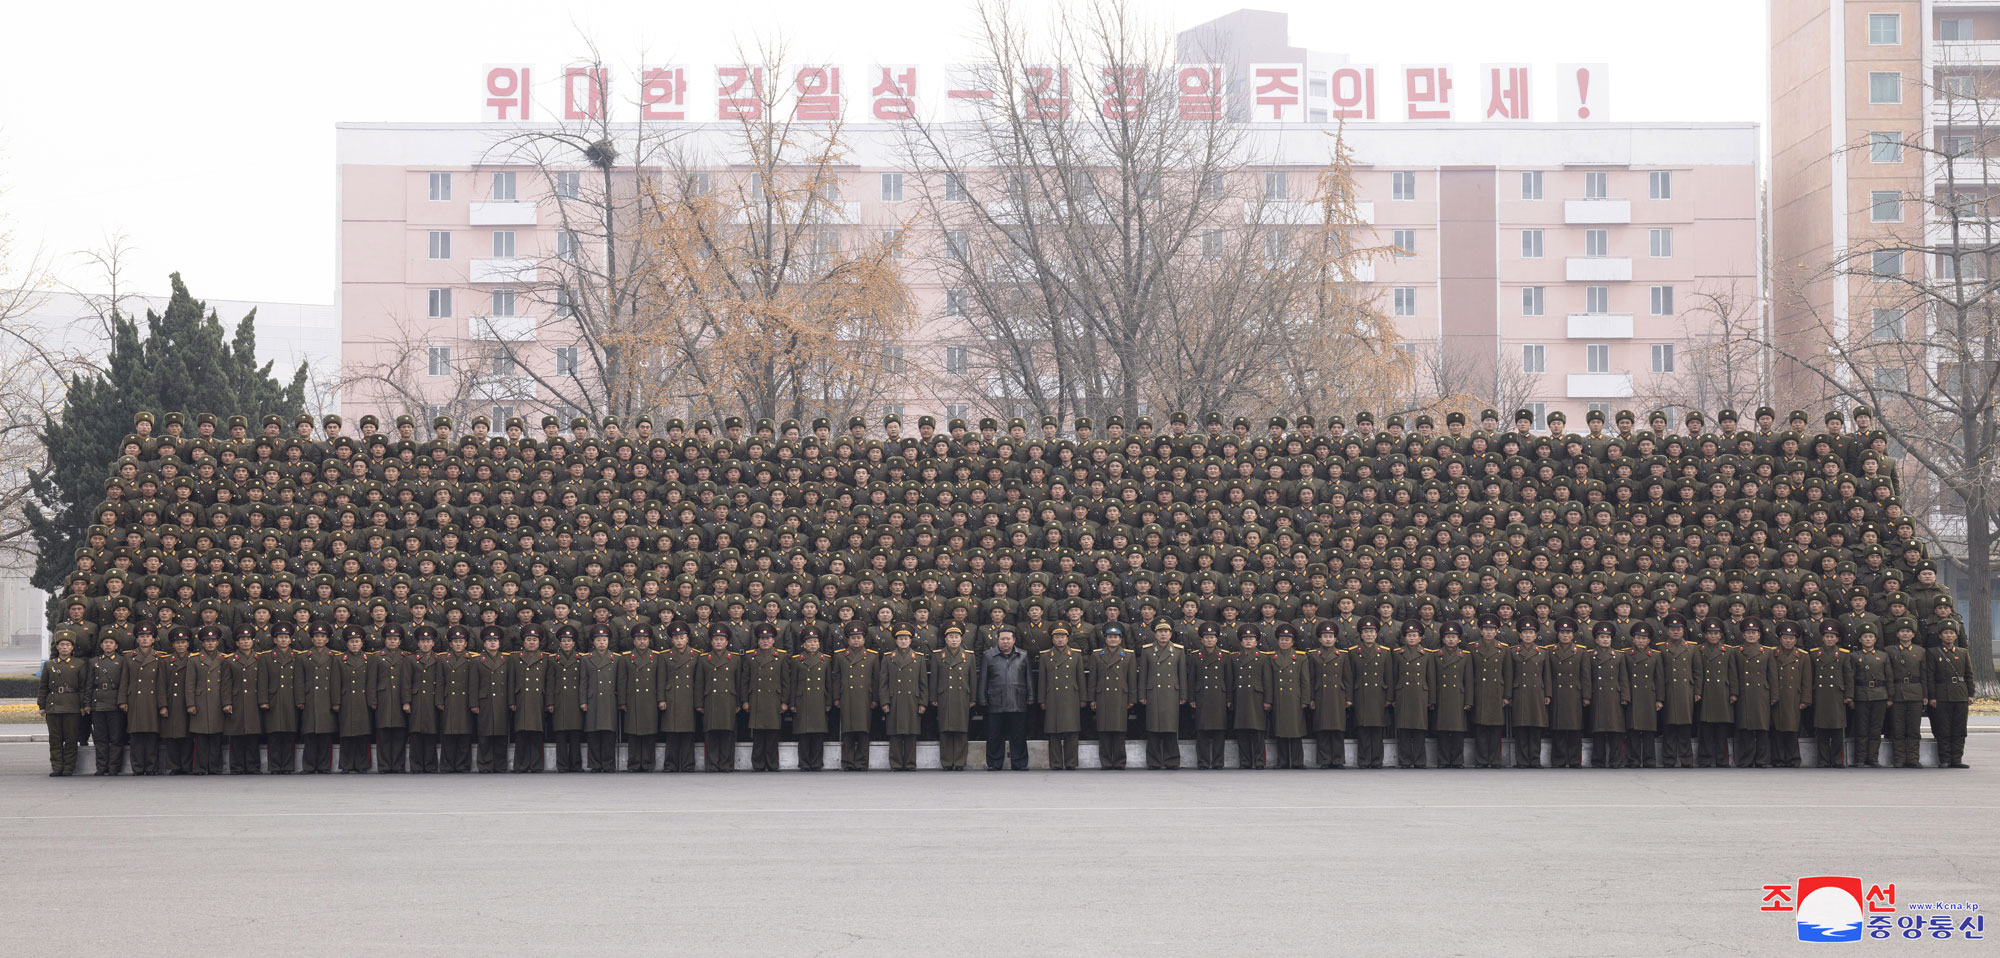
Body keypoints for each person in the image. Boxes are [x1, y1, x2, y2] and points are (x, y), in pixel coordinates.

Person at [979, 629, 1033, 771]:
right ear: (998, 640)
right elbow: (983, 678)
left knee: (1019, 735)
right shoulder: (988, 656)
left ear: (1014, 640)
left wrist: (1031, 696)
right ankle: (994, 763)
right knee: (994, 735)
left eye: (1008, 639)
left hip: (1018, 699)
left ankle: (1020, 763)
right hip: (996, 700)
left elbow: (1028, 678)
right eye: (1002, 639)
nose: (1005, 642)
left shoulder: (1023, 655)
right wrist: (982, 697)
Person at [877, 628, 929, 771]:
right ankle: (896, 763)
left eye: (906, 639)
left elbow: (923, 682)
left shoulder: (918, 658)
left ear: (910, 640)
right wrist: (885, 702)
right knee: (894, 734)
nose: (903, 641)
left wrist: (923, 702)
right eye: (900, 639)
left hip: (912, 699)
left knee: (911, 733)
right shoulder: (888, 657)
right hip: (894, 700)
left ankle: (910, 763)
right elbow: (883, 683)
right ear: (896, 640)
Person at [1085, 625, 1136, 769]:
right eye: (1110, 637)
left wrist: (1132, 698)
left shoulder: (1128, 655)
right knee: (1104, 729)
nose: (1113, 639)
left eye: (1116, 637)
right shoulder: (1097, 655)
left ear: (1120, 639)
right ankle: (1106, 762)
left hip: (1121, 695)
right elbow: (1092, 679)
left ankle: (1120, 761)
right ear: (1105, 639)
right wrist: (1092, 698)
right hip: (1103, 696)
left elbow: (1131, 679)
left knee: (1120, 730)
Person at [1137, 621, 1186, 769]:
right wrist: (1141, 694)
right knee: (1153, 727)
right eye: (1160, 632)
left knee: (1170, 728)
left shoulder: (1178, 650)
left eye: (1166, 632)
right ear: (1155, 634)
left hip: (1172, 693)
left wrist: (1183, 694)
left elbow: (1182, 674)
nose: (1163, 634)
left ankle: (1172, 761)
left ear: (1171, 634)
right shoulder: (1147, 650)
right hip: (1153, 693)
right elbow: (1143, 675)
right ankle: (1154, 761)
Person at [743, 626, 790, 772]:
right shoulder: (750, 656)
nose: (765, 641)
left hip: (773, 699)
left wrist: (784, 701)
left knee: (772, 733)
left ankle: (772, 763)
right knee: (757, 734)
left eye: (768, 639)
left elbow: (785, 681)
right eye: (762, 639)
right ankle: (758, 764)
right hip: (756, 698)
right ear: (758, 640)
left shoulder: (781, 656)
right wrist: (745, 700)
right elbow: (745, 680)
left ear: (773, 640)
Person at [120, 627, 166, 776]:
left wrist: (163, 704)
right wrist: (122, 701)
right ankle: (138, 767)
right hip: (135, 699)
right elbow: (124, 680)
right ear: (137, 639)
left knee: (152, 735)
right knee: (136, 735)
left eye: (148, 636)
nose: (145, 639)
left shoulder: (160, 657)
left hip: (152, 701)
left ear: (153, 639)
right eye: (142, 636)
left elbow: (161, 684)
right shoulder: (129, 657)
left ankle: (151, 767)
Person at [38, 637, 87, 776]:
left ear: (72, 648)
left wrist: (83, 705)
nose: (65, 647)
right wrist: (41, 705)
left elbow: (83, 687)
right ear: (57, 647)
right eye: (62, 645)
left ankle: (69, 767)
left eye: (68, 645)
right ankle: (57, 767)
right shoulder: (49, 665)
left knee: (71, 738)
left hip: (72, 705)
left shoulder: (79, 664)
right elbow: (43, 687)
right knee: (55, 739)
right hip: (53, 705)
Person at [834, 625, 880, 770]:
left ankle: (861, 762)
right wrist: (836, 697)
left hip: (864, 697)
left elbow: (876, 679)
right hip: (846, 696)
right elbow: (836, 678)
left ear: (864, 639)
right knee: (847, 731)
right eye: (853, 638)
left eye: (858, 638)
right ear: (848, 640)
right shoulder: (840, 656)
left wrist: (875, 699)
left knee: (863, 731)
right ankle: (847, 762)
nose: (856, 640)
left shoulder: (872, 656)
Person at [1927, 623, 1974, 768]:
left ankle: (1957, 759)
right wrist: (1932, 696)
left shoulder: (1962, 652)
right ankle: (1945, 759)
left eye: (1951, 633)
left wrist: (1970, 693)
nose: (1949, 635)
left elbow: (1968, 675)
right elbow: (1930, 676)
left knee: (1959, 729)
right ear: (1940, 636)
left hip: (1960, 694)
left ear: (1956, 636)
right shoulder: (1933, 652)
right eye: (1946, 633)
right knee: (1943, 728)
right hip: (1941, 695)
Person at [1349, 620, 1394, 769]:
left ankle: (1376, 760)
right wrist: (1350, 698)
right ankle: (1364, 760)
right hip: (1360, 693)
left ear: (1376, 634)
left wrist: (1389, 697)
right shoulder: (1353, 652)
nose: (1369, 635)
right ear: (1361, 635)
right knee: (1362, 728)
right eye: (1366, 632)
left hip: (1378, 695)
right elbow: (1350, 677)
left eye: (1371, 632)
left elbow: (1389, 677)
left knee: (1377, 729)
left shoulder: (1385, 652)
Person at [619, 626, 665, 772]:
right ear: (634, 641)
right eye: (639, 639)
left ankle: (648, 763)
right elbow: (622, 681)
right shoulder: (626, 657)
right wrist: (622, 701)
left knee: (649, 732)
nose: (642, 642)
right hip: (632, 699)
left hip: (650, 699)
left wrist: (660, 699)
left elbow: (660, 681)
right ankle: (633, 763)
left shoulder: (657, 657)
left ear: (649, 640)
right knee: (633, 733)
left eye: (645, 639)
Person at [696, 627, 742, 772]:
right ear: (711, 642)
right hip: (711, 700)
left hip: (729, 700)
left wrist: (739, 702)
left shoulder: (734, 658)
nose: (718, 642)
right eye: (716, 639)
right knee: (711, 733)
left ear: (727, 642)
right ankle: (712, 764)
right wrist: (699, 703)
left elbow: (739, 682)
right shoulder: (704, 659)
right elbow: (699, 683)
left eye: (721, 639)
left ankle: (726, 764)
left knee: (728, 733)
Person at [1038, 626, 1084, 770]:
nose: (1060, 639)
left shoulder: (1076, 655)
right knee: (1054, 731)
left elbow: (1081, 678)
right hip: (1053, 697)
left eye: (1062, 637)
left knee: (1072, 731)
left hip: (1071, 696)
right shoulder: (1046, 656)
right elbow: (1042, 680)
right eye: (1057, 637)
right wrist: (1042, 700)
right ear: (1052, 639)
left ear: (1067, 638)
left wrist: (1083, 698)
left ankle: (1071, 762)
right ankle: (1056, 763)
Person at [1656, 616, 1700, 768]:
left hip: (1686, 691)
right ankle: (1668, 760)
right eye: (1672, 629)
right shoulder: (1660, 648)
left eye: (1678, 629)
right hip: (1668, 690)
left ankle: (1686, 759)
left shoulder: (1692, 647)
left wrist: (1697, 691)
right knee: (1668, 727)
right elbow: (1659, 674)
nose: (1676, 632)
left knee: (1685, 727)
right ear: (1667, 631)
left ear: (1683, 631)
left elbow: (1697, 671)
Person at [1693, 621, 1737, 768]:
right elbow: (1698, 672)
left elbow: (1732, 674)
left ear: (1720, 635)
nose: (1713, 636)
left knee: (1721, 729)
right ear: (1705, 635)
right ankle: (1705, 759)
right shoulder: (1699, 650)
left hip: (1722, 692)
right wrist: (1698, 692)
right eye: (1710, 633)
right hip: (1706, 692)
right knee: (1705, 728)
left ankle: (1721, 759)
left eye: (1716, 633)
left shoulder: (1728, 650)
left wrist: (1734, 692)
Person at [790, 627, 835, 771]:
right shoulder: (797, 660)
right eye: (809, 642)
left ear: (819, 644)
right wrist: (792, 703)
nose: (812, 644)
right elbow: (793, 683)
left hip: (819, 700)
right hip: (802, 699)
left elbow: (829, 683)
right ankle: (804, 762)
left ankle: (816, 762)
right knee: (803, 733)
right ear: (803, 644)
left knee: (818, 733)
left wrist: (828, 701)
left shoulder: (826, 660)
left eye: (815, 641)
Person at [1266, 625, 1311, 770]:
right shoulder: (1271, 657)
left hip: (1294, 698)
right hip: (1279, 698)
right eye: (1282, 639)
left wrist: (1305, 699)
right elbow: (1269, 681)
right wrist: (1269, 700)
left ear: (1292, 642)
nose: (1284, 642)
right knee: (1280, 730)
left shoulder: (1300, 657)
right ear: (1278, 641)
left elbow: (1305, 680)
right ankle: (1283, 761)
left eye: (1287, 639)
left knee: (1296, 731)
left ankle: (1297, 761)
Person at [1733, 621, 1776, 768]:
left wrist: (1774, 695)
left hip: (1761, 694)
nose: (1751, 635)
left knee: (1762, 728)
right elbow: (1734, 674)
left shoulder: (1767, 651)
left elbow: (1772, 675)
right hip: (1744, 693)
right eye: (1748, 632)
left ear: (1759, 635)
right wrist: (1734, 692)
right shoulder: (1737, 651)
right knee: (1745, 728)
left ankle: (1762, 759)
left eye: (1754, 633)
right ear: (1743, 634)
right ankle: (1746, 759)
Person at [1390, 624, 1433, 769]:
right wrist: (1392, 697)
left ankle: (1420, 760)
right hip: (1403, 693)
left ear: (1420, 638)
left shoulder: (1427, 654)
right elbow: (1393, 676)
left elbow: (1430, 678)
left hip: (1420, 694)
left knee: (1420, 728)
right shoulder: (1397, 653)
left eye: (1415, 635)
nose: (1412, 638)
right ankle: (1405, 760)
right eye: (1409, 635)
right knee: (1404, 728)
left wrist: (1431, 699)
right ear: (1404, 638)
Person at [1585, 624, 1628, 769]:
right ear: (1596, 640)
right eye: (1602, 637)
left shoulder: (1619, 656)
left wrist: (1625, 696)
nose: (1605, 640)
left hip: (1614, 696)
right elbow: (1587, 678)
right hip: (1598, 695)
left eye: (1607, 637)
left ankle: (1616, 760)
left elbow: (1623, 678)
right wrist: (1587, 696)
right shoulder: (1590, 655)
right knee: (1598, 730)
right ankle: (1598, 761)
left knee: (1615, 730)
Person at [1545, 621, 1587, 769]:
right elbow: (1548, 675)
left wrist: (1586, 696)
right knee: (1558, 728)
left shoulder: (1581, 651)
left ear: (1573, 634)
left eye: (1568, 633)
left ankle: (1575, 759)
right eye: (1562, 633)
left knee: (1575, 728)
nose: (1565, 635)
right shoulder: (1550, 651)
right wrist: (1548, 694)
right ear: (1558, 634)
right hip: (1557, 693)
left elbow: (1585, 675)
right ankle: (1559, 760)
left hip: (1574, 693)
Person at [1886, 623, 1929, 769]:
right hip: (1898, 692)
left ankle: (1913, 759)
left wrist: (1925, 694)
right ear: (1897, 634)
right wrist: (1890, 696)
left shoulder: (1921, 651)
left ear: (1913, 635)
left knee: (1913, 729)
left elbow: (1924, 675)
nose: (1905, 634)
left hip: (1916, 693)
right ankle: (1899, 759)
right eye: (1902, 631)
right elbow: (1888, 675)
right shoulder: (1889, 651)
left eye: (1908, 631)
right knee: (1898, 729)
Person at [186, 628, 228, 775]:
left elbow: (226, 683)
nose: (210, 644)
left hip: (217, 700)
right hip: (201, 701)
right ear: (202, 643)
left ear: (217, 642)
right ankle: (201, 767)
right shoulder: (194, 659)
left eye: (213, 641)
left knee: (216, 737)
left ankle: (215, 767)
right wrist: (190, 703)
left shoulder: (224, 658)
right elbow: (190, 683)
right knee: (201, 737)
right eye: (207, 641)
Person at [1769, 624, 1812, 768]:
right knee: (1777, 730)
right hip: (1778, 697)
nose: (1788, 641)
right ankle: (1778, 759)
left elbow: (1807, 680)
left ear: (1796, 640)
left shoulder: (1803, 656)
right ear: (1780, 639)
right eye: (1785, 638)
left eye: (1791, 638)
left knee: (1793, 730)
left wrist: (1806, 700)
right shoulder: (1772, 654)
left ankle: (1793, 759)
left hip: (1795, 698)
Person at [1508, 622, 1550, 769]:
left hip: (1537, 692)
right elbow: (1509, 674)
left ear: (1535, 635)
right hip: (1519, 692)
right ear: (1520, 635)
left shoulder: (1543, 652)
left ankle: (1534, 759)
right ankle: (1522, 760)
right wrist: (1508, 695)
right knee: (1521, 727)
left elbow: (1547, 675)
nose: (1527, 635)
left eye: (1530, 633)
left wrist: (1548, 694)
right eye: (1525, 633)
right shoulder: (1513, 651)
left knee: (1535, 726)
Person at [1809, 625, 1852, 768]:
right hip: (1820, 695)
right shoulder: (1815, 654)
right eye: (1827, 636)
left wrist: (1849, 695)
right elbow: (1810, 677)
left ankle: (1837, 760)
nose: (1829, 639)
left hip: (1837, 695)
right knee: (1821, 729)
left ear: (1837, 639)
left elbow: (1848, 676)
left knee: (1838, 729)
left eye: (1832, 637)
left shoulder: (1844, 654)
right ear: (1822, 638)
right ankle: (1823, 760)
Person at [1307, 624, 1349, 769]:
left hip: (1338, 694)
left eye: (1330, 637)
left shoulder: (1342, 655)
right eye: (1325, 637)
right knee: (1322, 727)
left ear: (1335, 638)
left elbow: (1347, 678)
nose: (1328, 639)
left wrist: (1348, 698)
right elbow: (1311, 679)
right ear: (1320, 639)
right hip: (1320, 694)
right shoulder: (1313, 655)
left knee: (1338, 728)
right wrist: (1311, 698)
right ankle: (1324, 760)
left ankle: (1338, 760)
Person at [221, 631, 263, 774]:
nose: (245, 642)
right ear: (237, 643)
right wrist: (227, 702)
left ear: (252, 642)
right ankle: (237, 766)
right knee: (237, 735)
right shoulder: (230, 660)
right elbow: (226, 683)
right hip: (237, 701)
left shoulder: (259, 658)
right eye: (242, 640)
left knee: (253, 735)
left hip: (254, 701)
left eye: (248, 639)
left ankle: (253, 766)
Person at [659, 626, 700, 772]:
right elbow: (661, 679)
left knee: (688, 733)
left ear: (687, 639)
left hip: (689, 697)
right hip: (672, 697)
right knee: (671, 732)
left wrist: (698, 701)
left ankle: (688, 764)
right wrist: (661, 699)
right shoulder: (664, 656)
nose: (679, 640)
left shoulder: (696, 655)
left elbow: (699, 680)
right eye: (676, 638)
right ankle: (670, 764)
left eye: (682, 637)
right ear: (672, 639)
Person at [508, 629, 550, 772]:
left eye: (534, 640)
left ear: (539, 642)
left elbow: (548, 682)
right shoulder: (515, 658)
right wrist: (511, 701)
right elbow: (511, 681)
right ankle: (521, 765)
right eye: (529, 640)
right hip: (521, 699)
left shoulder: (545, 657)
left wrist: (549, 702)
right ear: (523, 642)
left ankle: (536, 765)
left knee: (537, 733)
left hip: (538, 699)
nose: (532, 643)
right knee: (521, 733)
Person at [1429, 625, 1471, 769]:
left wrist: (1469, 701)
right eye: (1448, 637)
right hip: (1442, 696)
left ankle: (1458, 760)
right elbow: (1432, 679)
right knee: (1443, 730)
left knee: (1458, 730)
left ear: (1458, 639)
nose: (1451, 640)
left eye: (1454, 637)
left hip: (1458, 696)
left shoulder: (1465, 656)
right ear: (1443, 639)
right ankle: (1444, 760)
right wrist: (1432, 700)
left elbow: (1469, 681)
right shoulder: (1436, 655)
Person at [371, 628, 412, 773]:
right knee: (383, 734)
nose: (392, 641)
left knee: (399, 734)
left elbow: (408, 680)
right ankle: (384, 766)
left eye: (395, 639)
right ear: (385, 640)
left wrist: (407, 700)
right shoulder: (377, 657)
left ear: (400, 641)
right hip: (383, 699)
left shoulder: (406, 657)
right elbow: (372, 681)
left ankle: (398, 765)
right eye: (390, 639)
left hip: (399, 698)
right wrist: (373, 701)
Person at [547, 629, 588, 773]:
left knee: (575, 734)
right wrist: (550, 702)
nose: (566, 643)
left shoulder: (581, 658)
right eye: (564, 641)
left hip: (575, 699)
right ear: (560, 642)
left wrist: (583, 701)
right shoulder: (553, 659)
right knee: (561, 734)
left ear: (574, 643)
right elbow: (550, 682)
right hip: (559, 700)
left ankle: (576, 764)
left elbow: (583, 681)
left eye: (569, 641)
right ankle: (562, 765)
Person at [87, 634, 129, 775]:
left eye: (111, 642)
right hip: (98, 703)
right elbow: (89, 685)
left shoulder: (122, 661)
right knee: (100, 738)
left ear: (116, 646)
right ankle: (101, 766)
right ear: (101, 645)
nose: (108, 645)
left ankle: (114, 767)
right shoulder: (94, 662)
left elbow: (125, 683)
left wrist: (123, 701)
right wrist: (87, 703)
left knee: (116, 738)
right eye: (105, 642)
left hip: (115, 702)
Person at [1849, 629, 1891, 767]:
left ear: (1875, 639)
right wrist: (1851, 698)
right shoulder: (1854, 656)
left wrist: (1890, 697)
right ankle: (1860, 759)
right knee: (1861, 728)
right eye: (1865, 637)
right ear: (1860, 640)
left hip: (1879, 695)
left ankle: (1872, 758)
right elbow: (1850, 679)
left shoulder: (1883, 656)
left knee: (1875, 729)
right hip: (1861, 695)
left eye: (1870, 637)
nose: (1868, 639)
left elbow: (1889, 677)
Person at [437, 630, 477, 773]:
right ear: (450, 643)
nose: (458, 644)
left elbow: (473, 684)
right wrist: (439, 700)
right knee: (448, 734)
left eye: (461, 641)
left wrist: (473, 703)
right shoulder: (443, 659)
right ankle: (447, 765)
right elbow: (440, 681)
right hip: (449, 700)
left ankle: (463, 765)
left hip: (465, 700)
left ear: (465, 643)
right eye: (455, 641)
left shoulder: (472, 658)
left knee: (464, 734)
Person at [582, 631, 622, 772]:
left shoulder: (616, 659)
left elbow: (620, 682)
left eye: (604, 640)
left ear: (608, 642)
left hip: (609, 699)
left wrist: (621, 701)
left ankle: (608, 764)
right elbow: (583, 682)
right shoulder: (587, 659)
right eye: (598, 640)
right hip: (593, 699)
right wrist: (583, 701)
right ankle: (595, 764)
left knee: (609, 733)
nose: (601, 643)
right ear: (594, 642)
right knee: (593, 733)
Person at [403, 629, 442, 773]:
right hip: (416, 699)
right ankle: (417, 766)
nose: (425, 644)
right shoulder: (410, 659)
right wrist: (406, 701)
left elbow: (440, 681)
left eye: (428, 641)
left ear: (433, 643)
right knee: (416, 733)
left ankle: (431, 765)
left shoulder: (438, 659)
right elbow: (406, 682)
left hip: (431, 700)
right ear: (418, 643)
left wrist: (439, 701)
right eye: (422, 642)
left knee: (431, 732)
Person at [1623, 624, 1662, 769]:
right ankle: (1633, 760)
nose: (1641, 641)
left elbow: (1659, 679)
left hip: (1649, 696)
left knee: (1648, 730)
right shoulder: (1626, 655)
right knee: (1633, 730)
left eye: (1644, 638)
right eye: (1638, 638)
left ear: (1648, 640)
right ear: (1633, 639)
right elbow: (1624, 677)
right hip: (1633, 696)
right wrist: (1625, 696)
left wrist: (1659, 699)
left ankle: (1649, 760)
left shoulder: (1656, 655)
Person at [336, 632, 375, 773]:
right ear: (347, 644)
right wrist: (336, 702)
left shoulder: (369, 659)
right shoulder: (340, 659)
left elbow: (372, 682)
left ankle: (362, 764)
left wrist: (372, 701)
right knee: (346, 733)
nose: (354, 644)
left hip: (363, 700)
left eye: (357, 641)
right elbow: (336, 683)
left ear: (362, 643)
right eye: (351, 641)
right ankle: (346, 765)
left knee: (363, 733)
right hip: (346, 699)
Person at [159, 628, 194, 774]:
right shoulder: (166, 661)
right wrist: (163, 705)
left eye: (183, 642)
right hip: (172, 702)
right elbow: (161, 684)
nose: (180, 645)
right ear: (173, 645)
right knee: (172, 736)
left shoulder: (194, 659)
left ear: (188, 644)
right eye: (177, 643)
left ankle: (186, 765)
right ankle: (174, 766)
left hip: (187, 701)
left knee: (187, 736)